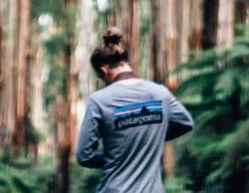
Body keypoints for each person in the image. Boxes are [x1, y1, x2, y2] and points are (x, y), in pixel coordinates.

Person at [75, 27, 194, 192]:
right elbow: (185, 123)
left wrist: (112, 157)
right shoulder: (160, 93)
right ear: (126, 62)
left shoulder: (99, 100)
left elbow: (84, 155)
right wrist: (150, 138)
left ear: (104, 70)